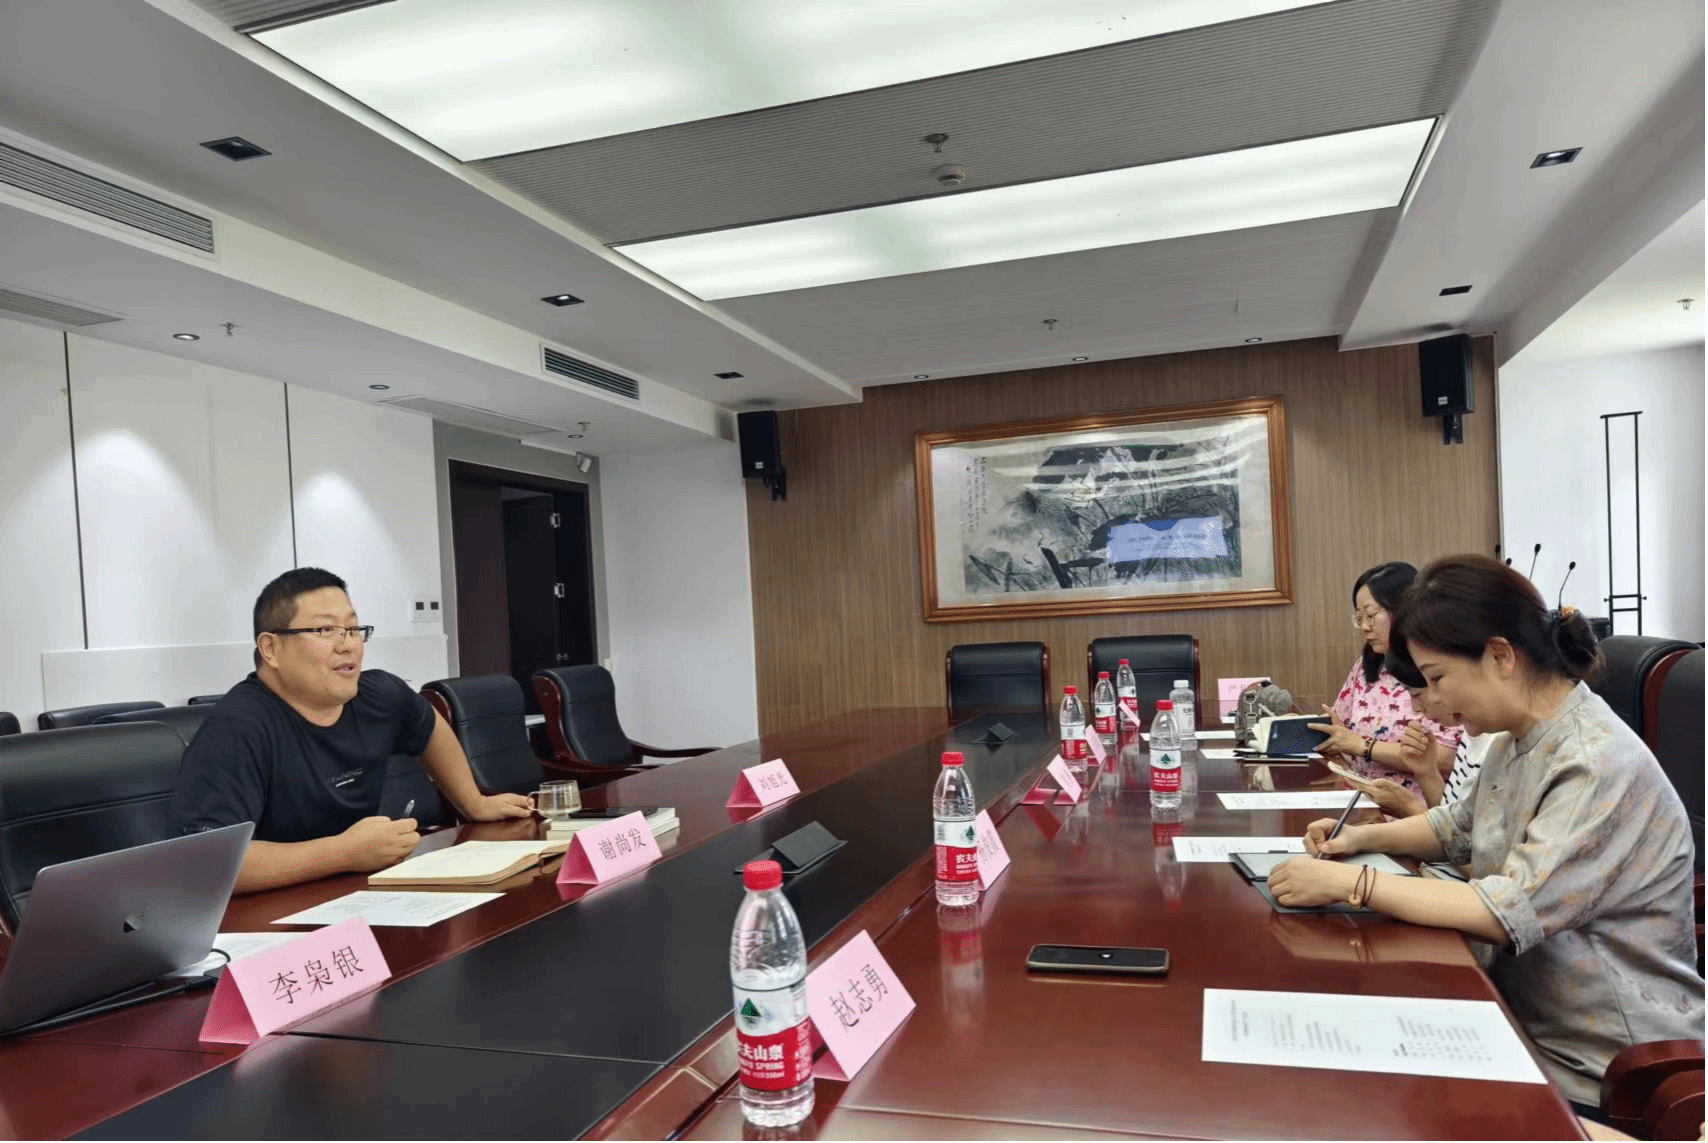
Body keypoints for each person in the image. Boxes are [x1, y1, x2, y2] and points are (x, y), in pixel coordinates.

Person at [1269, 555, 1703, 1109]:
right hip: (1513, 1007)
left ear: (1500, 656)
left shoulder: (1594, 762)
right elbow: (1455, 827)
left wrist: (1353, 885)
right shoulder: (1516, 738)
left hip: (1601, 1064)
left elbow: (1502, 909)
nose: (1435, 702)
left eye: (1438, 678)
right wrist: (1358, 839)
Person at [170, 568, 533, 893]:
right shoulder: (236, 728)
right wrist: (343, 852)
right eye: (324, 630)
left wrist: (473, 803)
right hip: (266, 917)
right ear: (271, 648)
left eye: (353, 629)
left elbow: (429, 726)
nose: (347, 645)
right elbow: (209, 864)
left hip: (355, 892)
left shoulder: (379, 695)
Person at [1308, 561, 1459, 795]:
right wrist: (1307, 727)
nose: (1364, 627)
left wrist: (1363, 746)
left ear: (1404, 609)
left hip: (1417, 806)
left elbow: (1446, 756)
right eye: (1359, 618)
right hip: (1362, 797)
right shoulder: (1366, 666)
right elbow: (1340, 728)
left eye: (1370, 615)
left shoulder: (1436, 665)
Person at [1353, 647, 1501, 819]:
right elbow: (1452, 819)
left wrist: (1409, 808)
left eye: (1436, 680)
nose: (1415, 708)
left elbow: (1465, 834)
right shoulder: (1473, 736)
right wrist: (1427, 771)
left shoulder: (1500, 742)